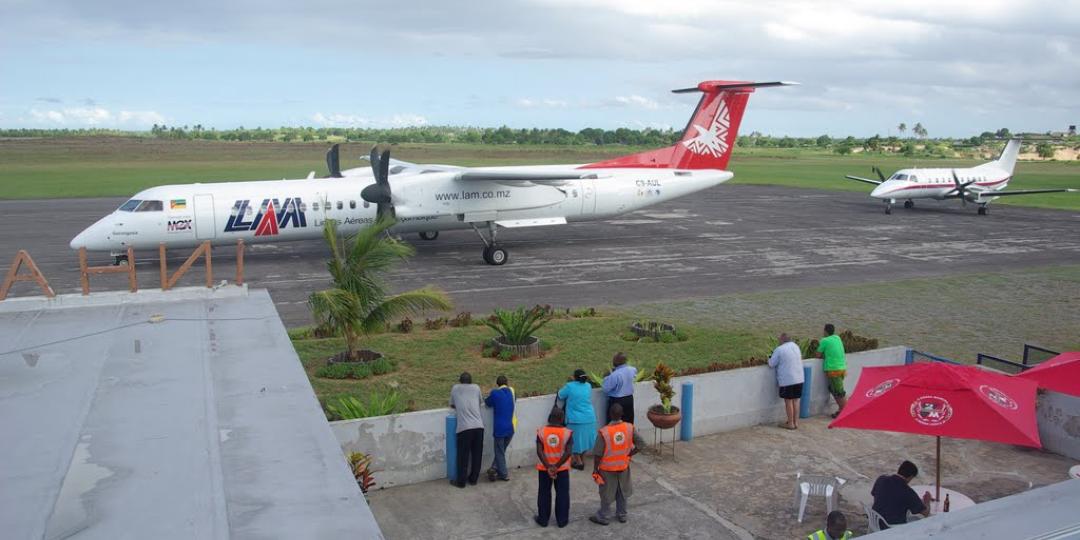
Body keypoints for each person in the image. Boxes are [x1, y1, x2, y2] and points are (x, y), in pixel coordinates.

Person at [589, 403, 645, 526]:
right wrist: (630, 454)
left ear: (610, 414)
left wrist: (595, 469)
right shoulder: (629, 428)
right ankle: (622, 514)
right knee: (622, 491)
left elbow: (598, 454)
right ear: (622, 414)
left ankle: (604, 516)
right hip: (623, 467)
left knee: (606, 493)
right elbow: (641, 444)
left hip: (607, 469)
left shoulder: (604, 432)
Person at [534, 408, 573, 528]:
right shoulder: (567, 433)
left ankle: (543, 520)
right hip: (561, 470)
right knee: (562, 494)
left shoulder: (541, 432)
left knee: (544, 494)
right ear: (562, 419)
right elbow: (568, 452)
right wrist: (556, 467)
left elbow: (539, 451)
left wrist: (548, 467)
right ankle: (562, 521)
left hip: (544, 469)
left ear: (550, 418)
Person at [871, 460, 931, 529]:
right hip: (890, 526)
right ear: (911, 477)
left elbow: (875, 495)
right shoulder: (908, 492)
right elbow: (925, 513)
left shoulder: (881, 479)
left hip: (875, 519)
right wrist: (927, 502)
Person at [449, 372, 484, 488]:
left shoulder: (455, 388)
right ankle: (473, 480)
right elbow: (480, 402)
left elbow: (452, 405)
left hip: (464, 428)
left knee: (463, 456)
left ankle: (461, 482)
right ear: (471, 380)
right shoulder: (476, 387)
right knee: (477, 455)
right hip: (479, 426)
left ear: (460, 380)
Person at [557, 369, 597, 470]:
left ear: (574, 377)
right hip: (589, 418)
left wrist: (569, 382)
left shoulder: (570, 386)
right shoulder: (588, 386)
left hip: (575, 420)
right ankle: (582, 458)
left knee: (573, 442)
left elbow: (560, 395)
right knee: (586, 441)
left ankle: (578, 462)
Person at [768, 333, 804, 430]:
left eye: (779, 339)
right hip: (799, 378)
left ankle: (790, 423)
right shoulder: (796, 346)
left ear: (782, 340)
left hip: (787, 380)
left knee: (788, 400)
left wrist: (769, 357)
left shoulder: (779, 349)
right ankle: (796, 422)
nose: (778, 341)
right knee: (796, 400)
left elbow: (771, 363)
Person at [484, 375, 516, 481]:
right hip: (511, 428)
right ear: (507, 383)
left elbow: (487, 403)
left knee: (499, 452)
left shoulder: (495, 393)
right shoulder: (512, 392)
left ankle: (504, 474)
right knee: (501, 451)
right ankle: (493, 468)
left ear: (497, 384)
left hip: (500, 429)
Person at [815, 324, 847, 417]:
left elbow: (817, 355)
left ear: (825, 331)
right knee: (833, 389)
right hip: (842, 368)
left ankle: (844, 412)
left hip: (833, 369)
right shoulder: (837, 338)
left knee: (839, 391)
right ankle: (841, 409)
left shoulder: (824, 340)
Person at [602, 352, 637, 425]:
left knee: (614, 425)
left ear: (614, 362)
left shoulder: (615, 375)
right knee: (628, 423)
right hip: (629, 399)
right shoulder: (632, 369)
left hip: (617, 401)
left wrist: (606, 377)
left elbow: (605, 389)